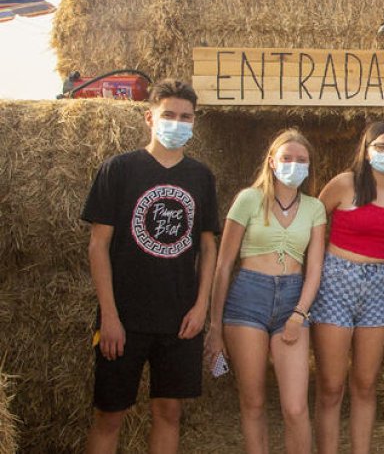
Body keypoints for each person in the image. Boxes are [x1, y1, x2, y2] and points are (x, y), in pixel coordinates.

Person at [83, 79, 218, 454]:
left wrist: (201, 305)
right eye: (169, 115)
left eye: (186, 117)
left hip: (179, 320)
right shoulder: (118, 170)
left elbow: (208, 246)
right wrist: (109, 315)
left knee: (169, 412)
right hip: (124, 318)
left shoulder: (201, 177)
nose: (178, 123)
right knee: (109, 414)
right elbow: (98, 245)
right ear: (149, 117)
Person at [206, 129, 326, 454]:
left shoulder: (315, 208)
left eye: (301, 160)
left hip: (293, 298)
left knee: (295, 407)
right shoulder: (248, 198)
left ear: (309, 165)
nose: (294, 164)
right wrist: (215, 327)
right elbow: (223, 264)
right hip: (248, 296)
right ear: (272, 162)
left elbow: (314, 268)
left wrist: (299, 313)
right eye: (287, 158)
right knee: (253, 401)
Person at [310, 122, 384, 454]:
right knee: (331, 385)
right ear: (367, 150)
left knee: (366, 384)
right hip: (335, 280)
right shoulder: (344, 184)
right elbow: (313, 222)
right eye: (380, 147)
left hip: (378, 286)